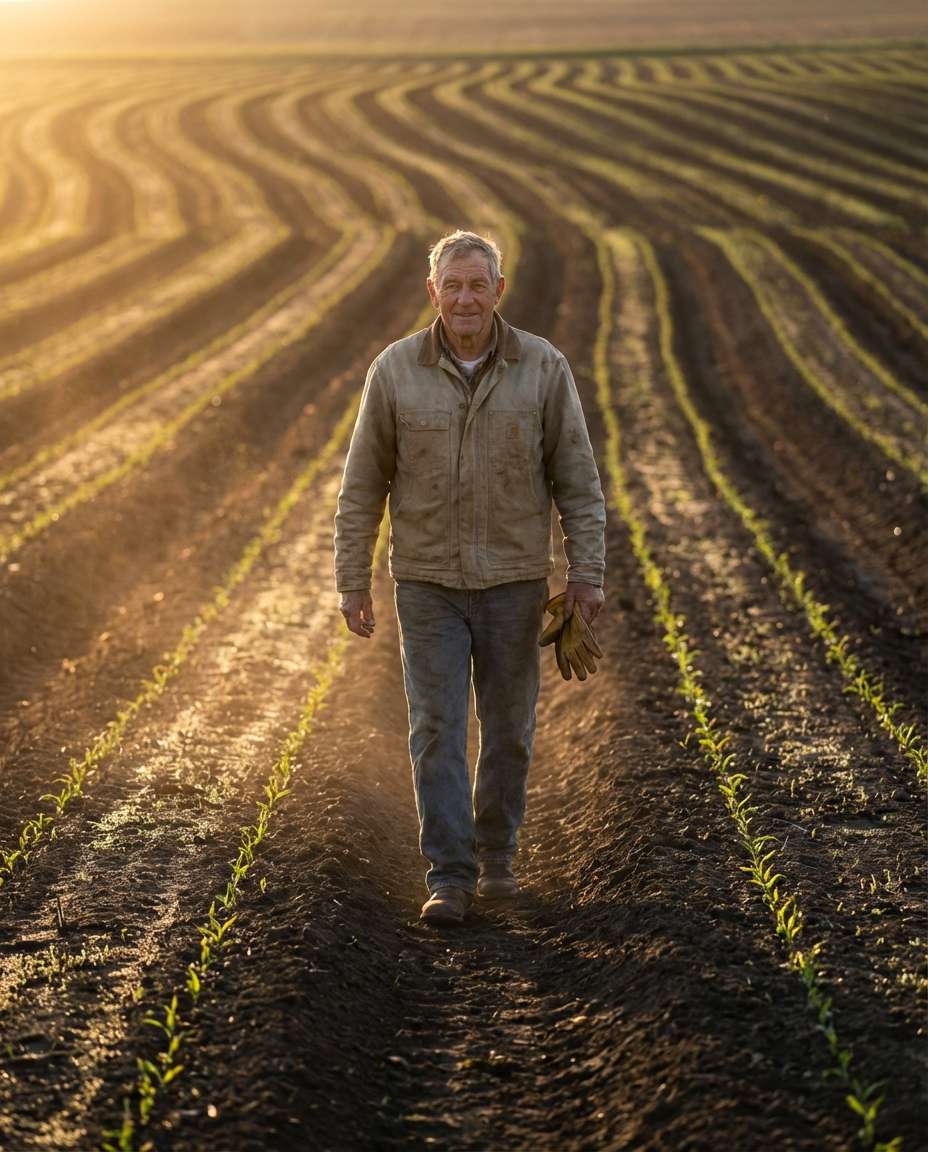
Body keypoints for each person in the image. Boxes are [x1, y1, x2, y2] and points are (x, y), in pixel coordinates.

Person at [333, 230, 606, 925]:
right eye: (451, 285)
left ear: (498, 292)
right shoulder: (394, 372)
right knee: (436, 729)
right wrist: (352, 578)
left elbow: (577, 479)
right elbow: (362, 485)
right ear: (432, 293)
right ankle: (449, 876)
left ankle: (497, 858)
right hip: (426, 582)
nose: (464, 298)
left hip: (515, 581)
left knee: (510, 729)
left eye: (477, 285)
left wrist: (586, 575)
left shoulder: (543, 369)